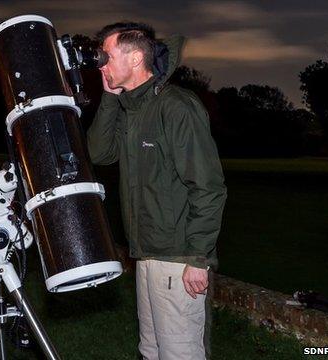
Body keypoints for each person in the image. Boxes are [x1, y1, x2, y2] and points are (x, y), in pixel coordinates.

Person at [86, 22, 227, 360]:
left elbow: (208, 187)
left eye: (106, 57)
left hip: (177, 259)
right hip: (146, 255)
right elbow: (99, 153)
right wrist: (108, 97)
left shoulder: (175, 106)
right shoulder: (132, 110)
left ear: (135, 58)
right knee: (151, 350)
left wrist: (197, 257)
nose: (100, 65)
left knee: (180, 352)